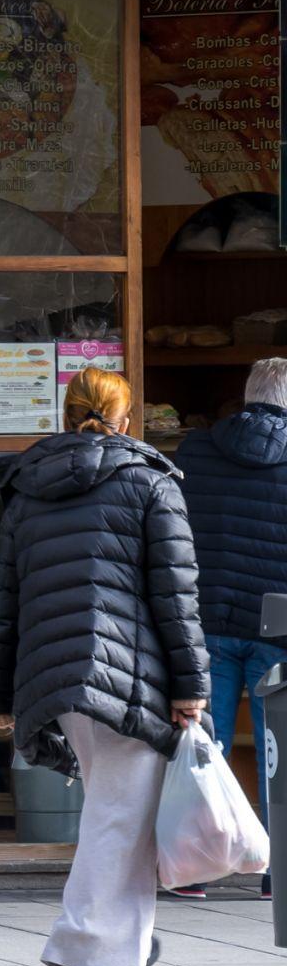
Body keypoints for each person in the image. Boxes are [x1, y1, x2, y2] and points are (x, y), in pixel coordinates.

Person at [0, 368, 209, 966]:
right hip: (126, 675)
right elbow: (176, 597)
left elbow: (5, 601)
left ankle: (119, 941)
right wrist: (190, 685)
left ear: (67, 413)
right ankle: (89, 959)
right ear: (125, 419)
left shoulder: (27, 489)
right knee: (119, 817)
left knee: (113, 810)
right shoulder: (150, 482)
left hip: (57, 677)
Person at [173, 358, 287, 899]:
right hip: (279, 627)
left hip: (207, 620)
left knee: (202, 745)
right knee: (278, 751)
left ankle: (196, 868)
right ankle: (278, 873)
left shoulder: (196, 450)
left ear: (248, 394)